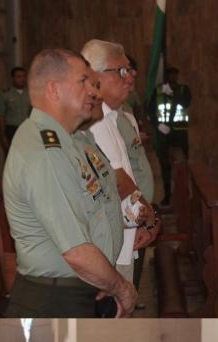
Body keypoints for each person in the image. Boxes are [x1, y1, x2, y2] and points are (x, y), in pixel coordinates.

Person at [3, 49, 136, 317]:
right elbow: (76, 251)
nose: (94, 92)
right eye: (83, 82)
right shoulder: (45, 152)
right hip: (55, 300)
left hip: (83, 289)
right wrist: (122, 288)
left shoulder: (73, 140)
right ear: (54, 90)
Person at [84, 39, 159, 287]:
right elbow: (117, 180)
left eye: (131, 70)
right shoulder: (96, 120)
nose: (130, 77)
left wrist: (142, 218)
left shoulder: (111, 116)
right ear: (95, 74)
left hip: (121, 235)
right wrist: (149, 219)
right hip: (106, 247)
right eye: (122, 71)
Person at [151, 67, 191, 206]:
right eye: (170, 75)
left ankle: (182, 195)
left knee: (181, 168)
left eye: (175, 75)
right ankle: (167, 195)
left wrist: (172, 95)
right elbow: (151, 110)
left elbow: (185, 102)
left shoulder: (183, 90)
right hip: (164, 136)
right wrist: (158, 125)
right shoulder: (158, 90)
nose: (173, 78)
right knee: (165, 168)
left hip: (179, 136)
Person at [0, 66, 32, 154]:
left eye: (23, 76)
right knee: (11, 156)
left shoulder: (30, 94)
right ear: (13, 78)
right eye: (18, 77)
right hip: (12, 129)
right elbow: (0, 116)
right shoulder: (6, 95)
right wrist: (3, 135)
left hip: (27, 129)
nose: (22, 79)